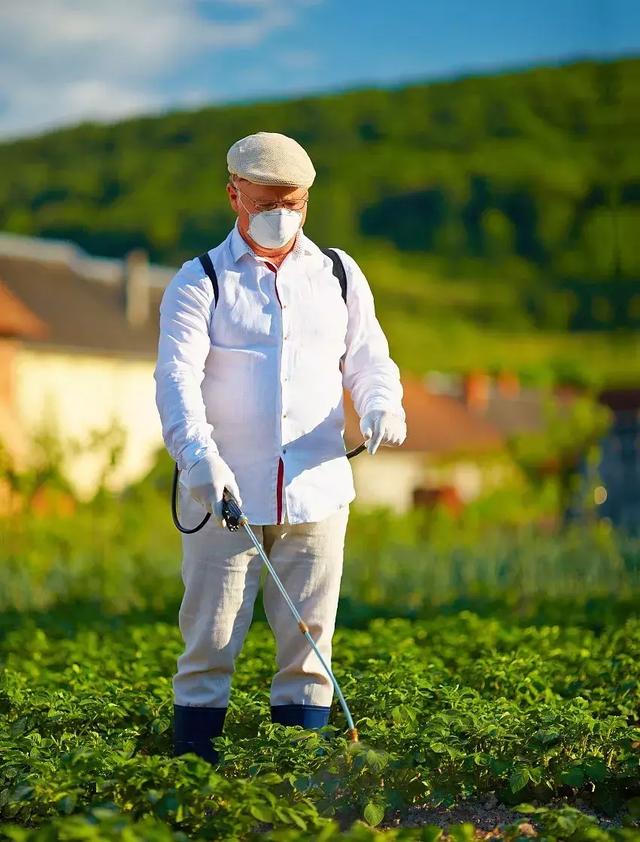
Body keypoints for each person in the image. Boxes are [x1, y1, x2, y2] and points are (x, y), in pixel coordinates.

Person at [153, 131, 406, 763]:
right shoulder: (200, 281)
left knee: (310, 645)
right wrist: (200, 460)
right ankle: (196, 780)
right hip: (223, 496)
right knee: (209, 642)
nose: (281, 214)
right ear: (235, 194)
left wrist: (381, 404)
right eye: (267, 201)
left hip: (317, 490)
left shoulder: (339, 275)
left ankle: (298, 788)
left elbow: (370, 359)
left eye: (293, 202)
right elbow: (176, 382)